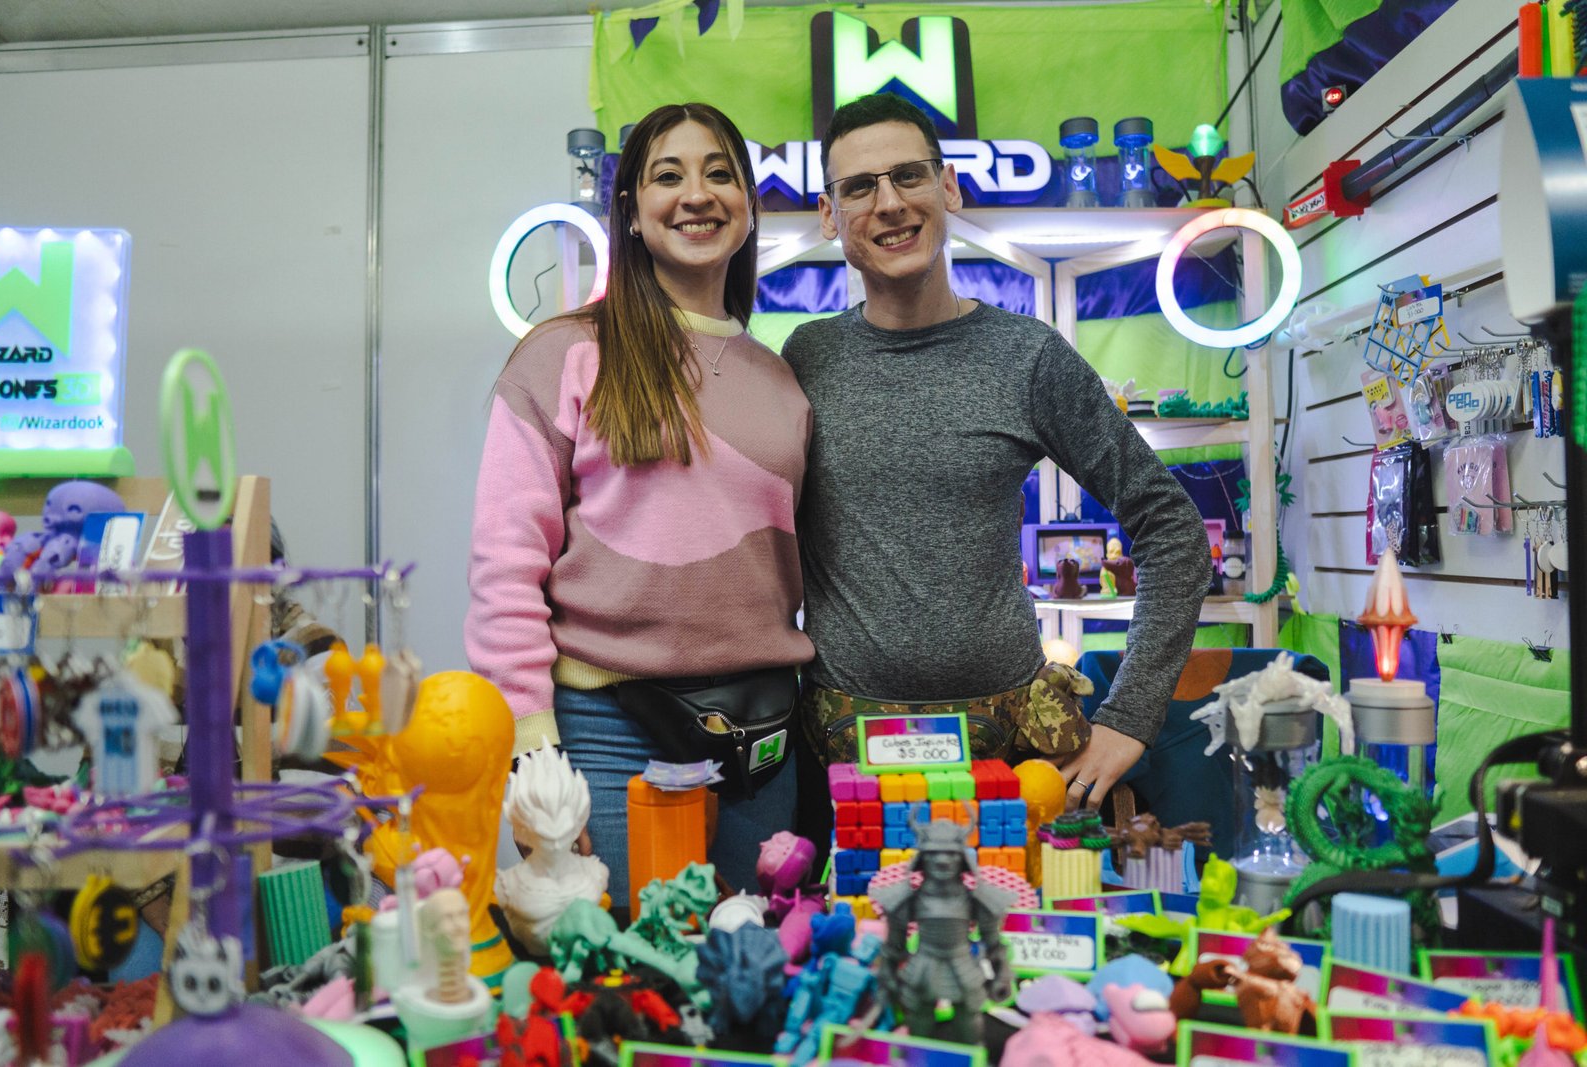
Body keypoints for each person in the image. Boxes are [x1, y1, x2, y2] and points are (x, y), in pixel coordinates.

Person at [784, 93, 1210, 817]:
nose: (889, 203)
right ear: (830, 215)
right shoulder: (807, 358)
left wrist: (1131, 717)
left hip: (1009, 758)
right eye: (858, 187)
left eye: (909, 176)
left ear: (948, 187)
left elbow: (1172, 529)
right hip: (841, 756)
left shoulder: (1027, 357)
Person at [465, 103, 814, 904]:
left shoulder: (782, 381)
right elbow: (505, 562)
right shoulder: (564, 353)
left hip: (763, 736)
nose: (697, 194)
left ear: (748, 206)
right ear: (629, 208)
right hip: (608, 730)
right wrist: (530, 745)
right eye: (668, 175)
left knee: (753, 958)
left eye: (720, 173)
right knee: (621, 956)